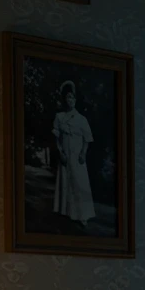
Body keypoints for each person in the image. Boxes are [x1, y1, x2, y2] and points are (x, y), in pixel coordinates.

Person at [52, 80, 96, 228]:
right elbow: (57, 139)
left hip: (77, 157)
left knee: (79, 184)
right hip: (65, 156)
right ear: (64, 99)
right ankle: (65, 213)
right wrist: (60, 153)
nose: (70, 100)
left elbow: (87, 139)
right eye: (67, 97)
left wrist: (83, 153)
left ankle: (83, 216)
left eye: (72, 97)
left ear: (75, 100)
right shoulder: (59, 117)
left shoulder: (81, 119)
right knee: (65, 183)